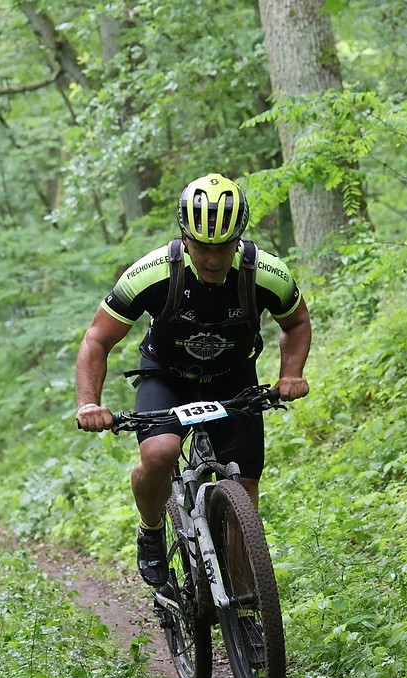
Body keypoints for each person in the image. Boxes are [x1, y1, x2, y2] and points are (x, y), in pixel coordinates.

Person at [74, 173, 311, 588]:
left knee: (244, 487)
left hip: (233, 379)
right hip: (166, 376)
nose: (213, 259)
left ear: (238, 240)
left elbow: (296, 323)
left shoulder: (265, 272)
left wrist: (290, 374)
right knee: (160, 454)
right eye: (202, 247)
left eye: (224, 247)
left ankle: (245, 603)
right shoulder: (151, 273)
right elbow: (97, 339)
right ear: (185, 238)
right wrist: (88, 403)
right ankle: (151, 530)